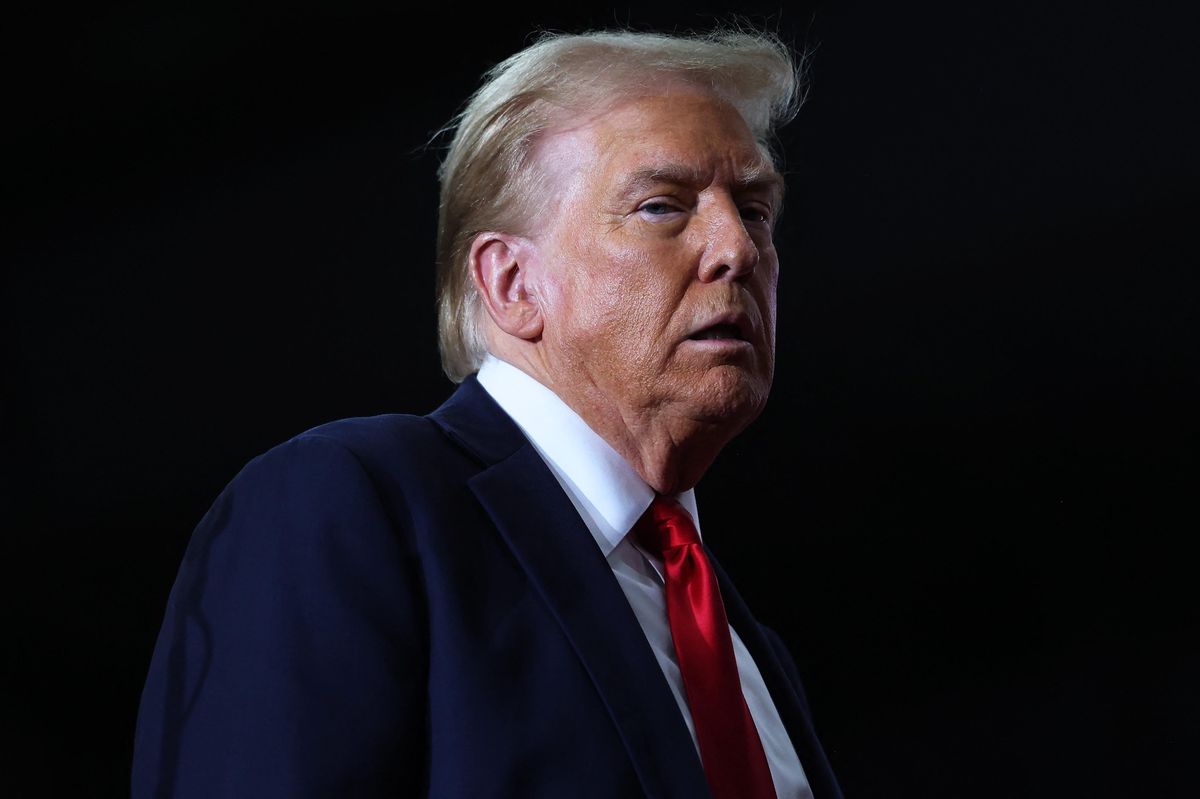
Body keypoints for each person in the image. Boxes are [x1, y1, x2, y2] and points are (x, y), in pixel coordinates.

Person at [132, 27, 843, 799]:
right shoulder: (346, 505)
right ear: (511, 283)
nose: (738, 247)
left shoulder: (743, 642)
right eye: (661, 206)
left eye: (755, 209)